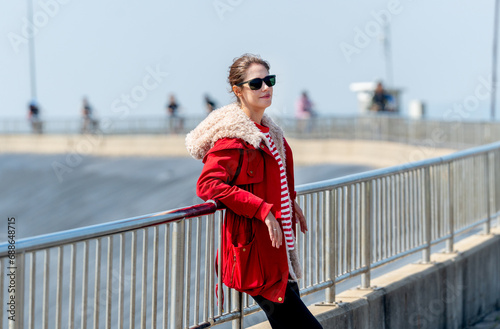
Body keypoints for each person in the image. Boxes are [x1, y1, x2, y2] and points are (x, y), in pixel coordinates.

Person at [185, 54, 323, 329]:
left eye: (269, 80)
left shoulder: (271, 133)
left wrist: (288, 200)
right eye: (256, 83)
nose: (265, 88)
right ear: (238, 91)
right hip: (254, 256)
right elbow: (208, 184)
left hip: (277, 253)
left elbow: (276, 178)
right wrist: (261, 209)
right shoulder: (233, 139)